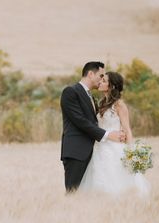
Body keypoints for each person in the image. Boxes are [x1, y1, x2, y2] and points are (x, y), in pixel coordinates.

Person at [78, 71, 151, 196]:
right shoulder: (101, 103)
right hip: (99, 149)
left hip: (114, 149)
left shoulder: (119, 105)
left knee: (116, 181)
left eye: (104, 81)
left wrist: (132, 153)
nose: (100, 82)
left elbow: (127, 129)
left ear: (111, 86)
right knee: (98, 179)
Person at [59, 61, 126, 193]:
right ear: (90, 74)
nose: (102, 79)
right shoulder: (71, 92)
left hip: (93, 153)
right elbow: (80, 121)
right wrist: (107, 134)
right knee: (73, 193)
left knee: (87, 194)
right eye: (101, 76)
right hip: (76, 152)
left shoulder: (92, 97)